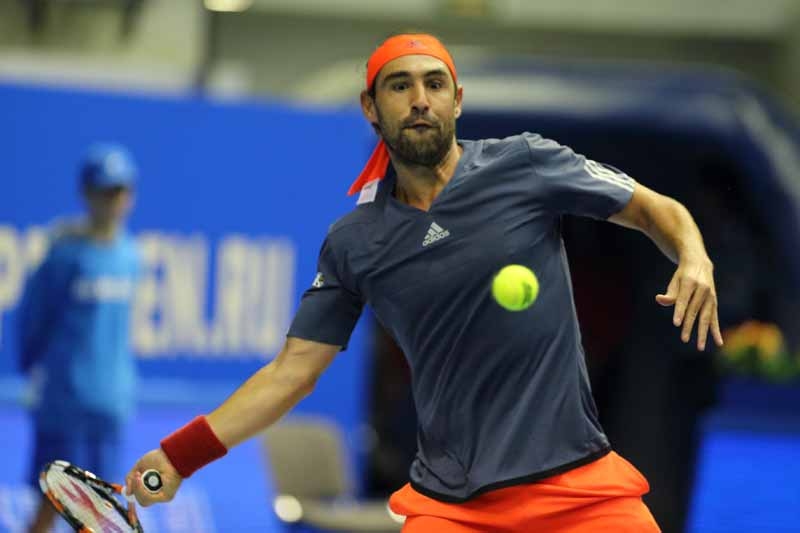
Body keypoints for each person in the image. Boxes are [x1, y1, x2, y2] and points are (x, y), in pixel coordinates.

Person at [126, 34, 722, 532]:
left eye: (435, 84)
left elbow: (652, 209)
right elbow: (291, 374)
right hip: (453, 509)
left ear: (456, 100)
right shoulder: (355, 242)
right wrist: (178, 457)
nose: (419, 100)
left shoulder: (526, 163)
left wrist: (693, 257)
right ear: (370, 106)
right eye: (400, 85)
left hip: (579, 492)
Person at [19, 143, 141, 533]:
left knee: (100, 509)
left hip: (110, 404)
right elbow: (33, 321)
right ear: (87, 194)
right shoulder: (63, 257)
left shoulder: (131, 256)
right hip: (65, 402)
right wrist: (35, 371)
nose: (113, 201)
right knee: (51, 502)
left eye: (120, 191)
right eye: (105, 191)